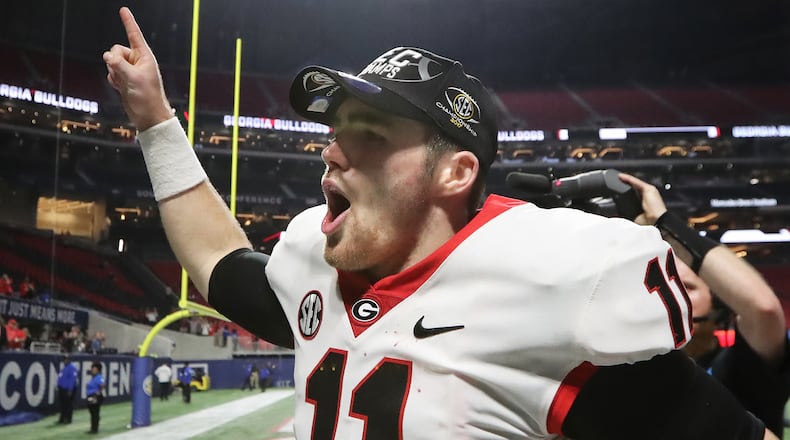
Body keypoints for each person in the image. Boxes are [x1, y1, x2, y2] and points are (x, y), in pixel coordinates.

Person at [104, 7, 776, 439]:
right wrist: (156, 123)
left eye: (367, 134)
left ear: (453, 173)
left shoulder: (546, 287)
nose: (332, 149)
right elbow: (217, 260)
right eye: (336, 130)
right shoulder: (316, 258)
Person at [620, 173, 790, 439]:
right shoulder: (628, 375)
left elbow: (763, 309)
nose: (672, 296)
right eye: (660, 287)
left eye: (688, 287)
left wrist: (665, 225)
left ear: (717, 302)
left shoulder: (735, 370)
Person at [56, 354, 79, 424]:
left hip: (68, 389)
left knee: (68, 404)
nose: (64, 361)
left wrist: (70, 389)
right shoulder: (65, 368)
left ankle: (68, 419)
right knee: (63, 404)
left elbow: (72, 379)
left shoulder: (72, 367)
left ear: (69, 360)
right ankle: (62, 418)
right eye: (64, 359)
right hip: (62, 389)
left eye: (66, 359)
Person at [85, 361, 105, 434]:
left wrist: (97, 394)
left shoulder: (99, 377)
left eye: (94, 369)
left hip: (95, 396)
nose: (93, 370)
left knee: (95, 413)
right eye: (92, 369)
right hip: (91, 396)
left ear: (98, 370)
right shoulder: (94, 378)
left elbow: (103, 385)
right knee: (92, 413)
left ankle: (94, 429)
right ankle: (93, 428)